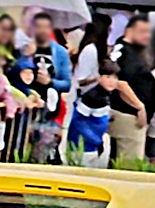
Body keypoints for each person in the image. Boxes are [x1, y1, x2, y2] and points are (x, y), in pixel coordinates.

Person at [108, 15, 155, 161]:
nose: (147, 36)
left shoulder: (130, 52)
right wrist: (139, 106)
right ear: (129, 31)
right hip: (127, 115)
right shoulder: (124, 54)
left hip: (129, 114)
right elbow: (120, 83)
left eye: (148, 32)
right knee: (129, 163)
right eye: (142, 31)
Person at [27, 11, 70, 162]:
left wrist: (50, 82)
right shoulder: (25, 48)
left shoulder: (60, 52)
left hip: (50, 108)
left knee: (43, 149)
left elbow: (67, 83)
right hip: (28, 104)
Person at [67, 59, 120, 165]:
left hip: (95, 146)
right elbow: (77, 121)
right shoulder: (92, 97)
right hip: (83, 148)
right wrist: (94, 139)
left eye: (115, 78)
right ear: (99, 78)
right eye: (107, 77)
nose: (111, 81)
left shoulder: (107, 96)